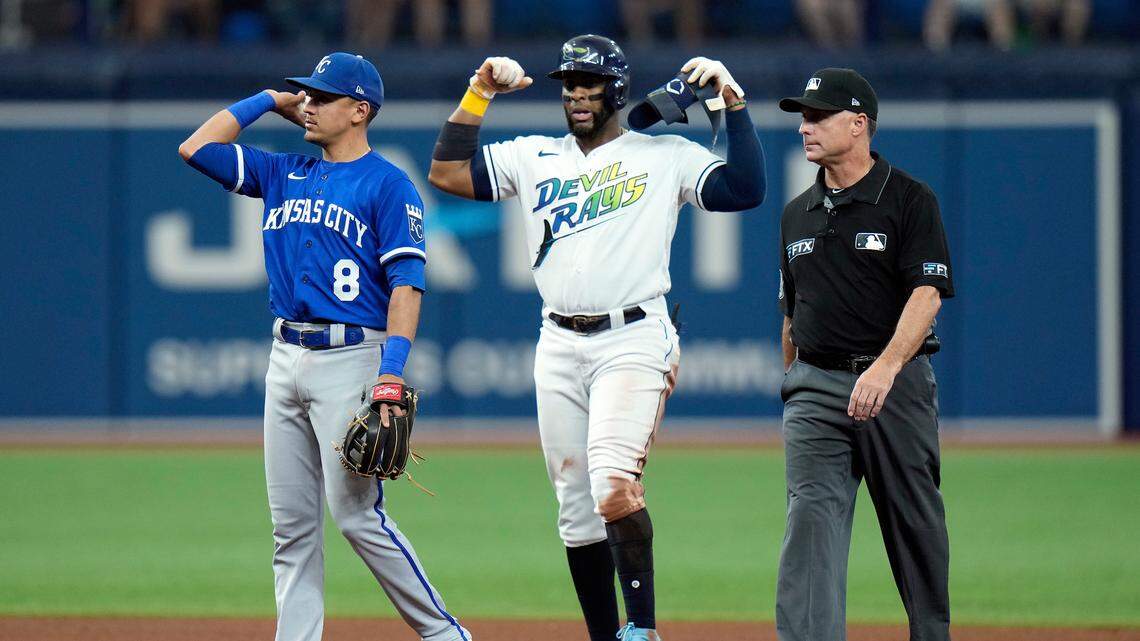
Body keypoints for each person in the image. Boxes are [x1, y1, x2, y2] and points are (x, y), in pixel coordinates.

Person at [427, 34, 766, 641]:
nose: (578, 95)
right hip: (557, 342)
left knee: (612, 484)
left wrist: (728, 105)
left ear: (618, 90)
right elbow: (447, 171)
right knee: (576, 514)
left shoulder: (663, 155)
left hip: (633, 337)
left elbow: (744, 189)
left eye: (591, 84)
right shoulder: (533, 156)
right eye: (568, 85)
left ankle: (642, 630)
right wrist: (478, 94)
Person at [177, 52, 470, 641]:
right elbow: (196, 148)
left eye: (322, 96)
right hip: (284, 357)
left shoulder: (389, 185)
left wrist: (391, 373)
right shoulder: (282, 171)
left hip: (352, 358)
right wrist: (267, 99)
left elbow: (407, 287)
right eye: (305, 94)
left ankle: (445, 634)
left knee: (358, 517)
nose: (307, 103)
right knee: (291, 529)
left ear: (359, 110)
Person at [775, 68, 955, 641]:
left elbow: (927, 294)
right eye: (802, 116)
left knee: (913, 521)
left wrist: (885, 368)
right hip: (816, 390)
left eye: (817, 115)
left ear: (859, 125)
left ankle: (931, 633)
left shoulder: (907, 198)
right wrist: (794, 381)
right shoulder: (796, 212)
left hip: (893, 386)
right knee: (809, 520)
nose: (805, 127)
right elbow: (791, 313)